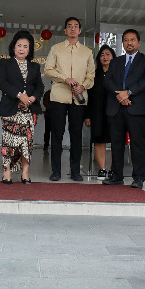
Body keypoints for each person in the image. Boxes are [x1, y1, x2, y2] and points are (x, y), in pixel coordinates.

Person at [43, 17, 95, 182]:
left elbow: (91, 76)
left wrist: (83, 86)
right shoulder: (56, 49)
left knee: (76, 135)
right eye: (69, 27)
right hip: (59, 96)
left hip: (79, 99)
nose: (73, 29)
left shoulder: (87, 52)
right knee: (56, 134)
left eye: (76, 27)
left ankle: (75, 171)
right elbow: (48, 70)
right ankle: (56, 171)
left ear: (80, 31)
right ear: (65, 30)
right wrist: (65, 78)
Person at [103, 29, 145, 188]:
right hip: (116, 107)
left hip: (136, 107)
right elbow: (108, 81)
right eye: (126, 40)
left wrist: (128, 93)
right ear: (123, 43)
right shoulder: (115, 61)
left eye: (132, 39)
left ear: (139, 42)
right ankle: (116, 176)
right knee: (116, 144)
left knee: (138, 144)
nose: (129, 43)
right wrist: (120, 95)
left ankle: (138, 178)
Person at [0, 30, 44, 184]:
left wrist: (32, 98)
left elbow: (40, 87)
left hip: (29, 111)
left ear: (30, 50)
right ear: (14, 47)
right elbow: (1, 83)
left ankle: (25, 173)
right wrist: (19, 95)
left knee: (27, 143)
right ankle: (7, 172)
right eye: (19, 45)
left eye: (25, 46)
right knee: (9, 142)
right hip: (11, 109)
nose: (22, 48)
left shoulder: (35, 67)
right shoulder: (5, 63)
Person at [85, 45, 116, 180]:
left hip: (115, 113)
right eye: (102, 55)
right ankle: (102, 169)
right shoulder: (93, 75)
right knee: (99, 141)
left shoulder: (118, 73)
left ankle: (114, 169)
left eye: (108, 54)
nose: (105, 57)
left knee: (116, 141)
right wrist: (87, 115)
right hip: (97, 113)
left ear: (113, 57)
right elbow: (88, 96)